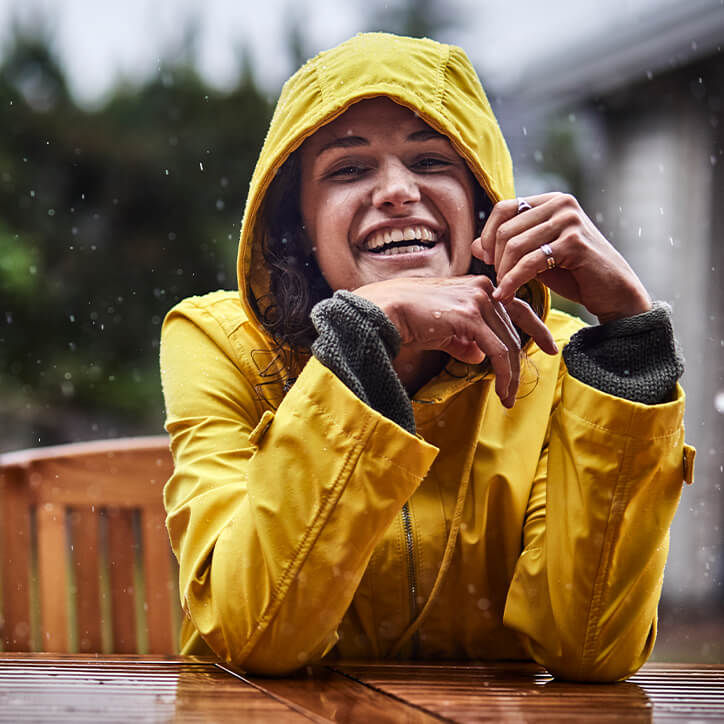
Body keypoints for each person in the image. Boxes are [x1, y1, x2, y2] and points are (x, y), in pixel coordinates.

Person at [160, 32, 693, 681]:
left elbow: (588, 649)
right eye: (348, 169)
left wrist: (629, 336)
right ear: (296, 224)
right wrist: (364, 338)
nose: (395, 191)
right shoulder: (217, 342)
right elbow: (256, 637)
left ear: (482, 204)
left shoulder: (556, 361)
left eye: (432, 161)